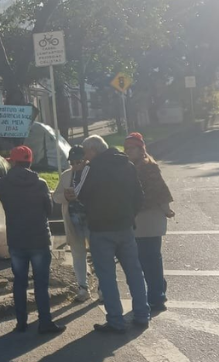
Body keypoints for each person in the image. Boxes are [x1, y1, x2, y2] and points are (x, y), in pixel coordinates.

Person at [74, 135, 149, 333]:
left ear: (92, 150)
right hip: (125, 227)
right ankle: (142, 314)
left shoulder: (91, 168)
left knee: (107, 276)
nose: (85, 156)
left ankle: (116, 320)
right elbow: (139, 196)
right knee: (134, 272)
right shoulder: (127, 164)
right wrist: (129, 216)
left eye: (86, 151)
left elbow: (79, 194)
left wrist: (77, 173)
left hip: (100, 229)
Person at [0, 145, 65, 334]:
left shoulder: (4, 183)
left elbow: (5, 205)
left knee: (19, 282)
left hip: (17, 239)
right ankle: (45, 322)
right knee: (41, 283)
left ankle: (21, 322)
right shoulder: (41, 184)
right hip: (39, 238)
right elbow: (49, 210)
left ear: (13, 162)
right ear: (30, 162)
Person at [124, 132, 174, 313]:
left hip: (151, 219)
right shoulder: (131, 166)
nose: (128, 151)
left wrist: (167, 210)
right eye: (126, 148)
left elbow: (159, 191)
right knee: (147, 260)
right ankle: (158, 290)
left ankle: (157, 297)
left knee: (150, 259)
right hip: (139, 221)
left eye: (132, 148)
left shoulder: (148, 167)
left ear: (141, 149)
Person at [53, 146, 91, 302]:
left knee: (98, 255)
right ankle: (83, 288)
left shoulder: (91, 173)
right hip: (73, 221)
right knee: (77, 254)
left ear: (85, 160)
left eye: (78, 161)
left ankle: (103, 288)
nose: (75, 165)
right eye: (72, 162)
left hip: (92, 220)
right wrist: (66, 197)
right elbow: (55, 197)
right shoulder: (66, 175)